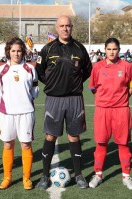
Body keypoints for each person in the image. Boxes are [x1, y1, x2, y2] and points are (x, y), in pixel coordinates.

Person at [35, 15, 92, 190]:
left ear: (72, 27)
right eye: (62, 26)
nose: (65, 28)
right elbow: (40, 71)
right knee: (50, 136)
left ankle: (79, 175)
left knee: (74, 136)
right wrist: (53, 84)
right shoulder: (47, 49)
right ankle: (44, 176)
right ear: (57, 27)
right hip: (54, 99)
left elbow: (87, 71)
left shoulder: (80, 48)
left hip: (74, 99)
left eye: (68, 26)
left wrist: (73, 83)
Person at [88, 38, 132, 190]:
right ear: (105, 49)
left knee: (123, 144)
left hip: (121, 110)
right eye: (109, 49)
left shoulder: (127, 66)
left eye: (114, 49)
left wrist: (119, 100)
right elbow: (93, 88)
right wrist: (104, 100)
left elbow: (131, 87)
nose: (112, 52)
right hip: (102, 110)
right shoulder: (97, 67)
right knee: (101, 143)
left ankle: (126, 176)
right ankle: (98, 174)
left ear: (119, 50)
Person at [0, 37, 39, 190]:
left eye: (19, 50)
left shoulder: (30, 69)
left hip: (26, 112)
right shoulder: (1, 70)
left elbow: (35, 91)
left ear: (23, 52)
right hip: (6, 113)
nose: (16, 53)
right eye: (13, 50)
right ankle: (7, 177)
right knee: (8, 144)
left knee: (26, 145)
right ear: (8, 52)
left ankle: (26, 178)